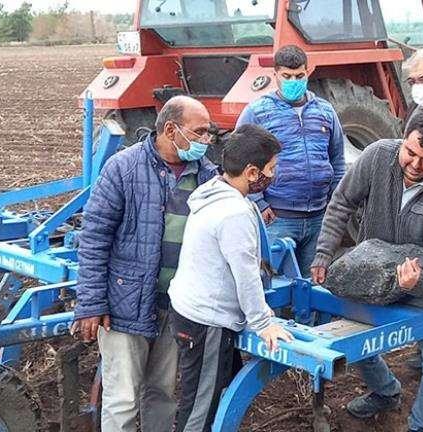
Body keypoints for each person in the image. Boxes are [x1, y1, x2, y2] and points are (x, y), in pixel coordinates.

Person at [311, 109, 423, 432]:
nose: (415, 165)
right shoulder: (377, 155)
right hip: (371, 280)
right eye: (410, 152)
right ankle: (386, 392)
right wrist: (323, 255)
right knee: (357, 345)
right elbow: (341, 204)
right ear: (402, 139)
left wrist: (419, 282)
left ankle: (422, 426)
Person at [72, 96, 219, 432]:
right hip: (125, 305)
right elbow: (94, 238)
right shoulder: (123, 168)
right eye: (199, 132)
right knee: (122, 399)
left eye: (209, 133)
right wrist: (91, 303)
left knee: (163, 393)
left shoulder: (208, 176)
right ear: (171, 129)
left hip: (176, 305)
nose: (206, 141)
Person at [168, 124, 294, 431]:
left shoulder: (212, 191)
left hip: (189, 309)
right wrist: (264, 323)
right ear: (252, 172)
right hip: (207, 322)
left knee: (207, 394)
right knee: (200, 408)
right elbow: (246, 275)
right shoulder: (234, 212)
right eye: (271, 169)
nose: (273, 175)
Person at [236, 44, 346, 277]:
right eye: (286, 76)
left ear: (308, 72)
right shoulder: (257, 112)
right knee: (271, 283)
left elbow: (337, 162)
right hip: (277, 219)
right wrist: (259, 202)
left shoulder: (325, 112)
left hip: (318, 219)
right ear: (275, 74)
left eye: (299, 75)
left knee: (314, 286)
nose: (293, 81)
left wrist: (335, 205)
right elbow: (238, 161)